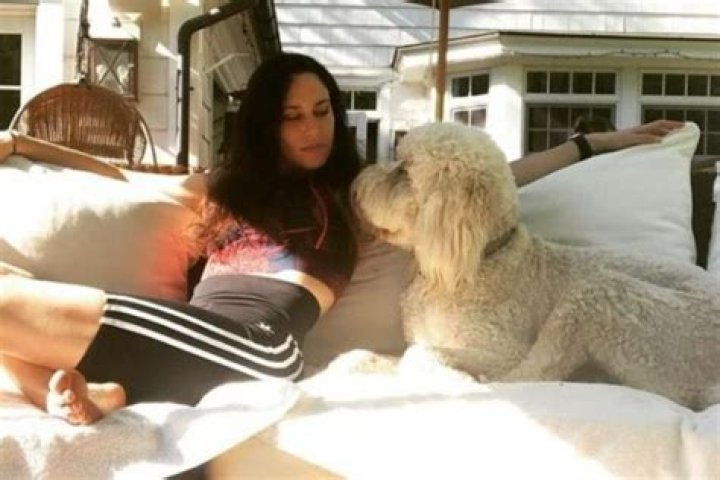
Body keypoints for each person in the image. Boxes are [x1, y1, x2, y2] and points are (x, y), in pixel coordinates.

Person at [0, 51, 684, 426]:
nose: (312, 129)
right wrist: (20, 142)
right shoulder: (222, 189)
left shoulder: (356, 193)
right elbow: (122, 175)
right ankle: (102, 395)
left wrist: (597, 142)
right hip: (193, 344)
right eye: (292, 116)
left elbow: (500, 175)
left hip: (258, 350)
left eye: (322, 111)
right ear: (266, 126)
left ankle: (105, 389)